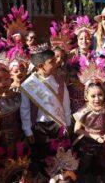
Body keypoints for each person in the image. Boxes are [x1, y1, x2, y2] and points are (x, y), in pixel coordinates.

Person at [19, 45, 71, 180]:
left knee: (59, 155)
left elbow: (66, 103)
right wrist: (27, 130)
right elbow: (25, 109)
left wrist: (67, 123)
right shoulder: (28, 84)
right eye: (52, 61)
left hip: (58, 124)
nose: (56, 63)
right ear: (41, 66)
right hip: (39, 127)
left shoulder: (59, 80)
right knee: (42, 157)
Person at [73, 63, 105, 182]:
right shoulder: (83, 111)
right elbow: (77, 130)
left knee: (104, 168)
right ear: (86, 96)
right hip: (87, 144)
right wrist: (93, 136)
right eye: (93, 96)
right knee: (87, 170)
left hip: (103, 143)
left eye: (100, 95)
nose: (97, 99)